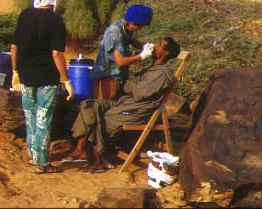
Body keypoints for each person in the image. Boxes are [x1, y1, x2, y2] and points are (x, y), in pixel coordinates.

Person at [62, 37, 181, 172]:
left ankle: (97, 158)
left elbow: (137, 93)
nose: (155, 46)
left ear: (165, 53)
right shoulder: (152, 68)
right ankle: (81, 148)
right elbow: (128, 86)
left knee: (104, 118)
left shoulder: (162, 74)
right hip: (125, 103)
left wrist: (133, 85)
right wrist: (133, 83)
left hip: (136, 109)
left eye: (159, 45)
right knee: (89, 105)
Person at [10, 0, 74, 174]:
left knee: (30, 116)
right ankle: (42, 163)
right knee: (43, 119)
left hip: (26, 76)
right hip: (47, 78)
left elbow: (14, 47)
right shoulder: (55, 20)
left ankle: (33, 155)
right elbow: (57, 54)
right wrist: (67, 81)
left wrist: (15, 71)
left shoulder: (25, 15)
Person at [92, 4, 155, 100]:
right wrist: (142, 56)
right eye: (139, 26)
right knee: (104, 105)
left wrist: (145, 46)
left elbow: (131, 40)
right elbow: (120, 62)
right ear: (132, 23)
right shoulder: (114, 32)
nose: (140, 29)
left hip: (119, 76)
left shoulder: (126, 28)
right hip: (108, 76)